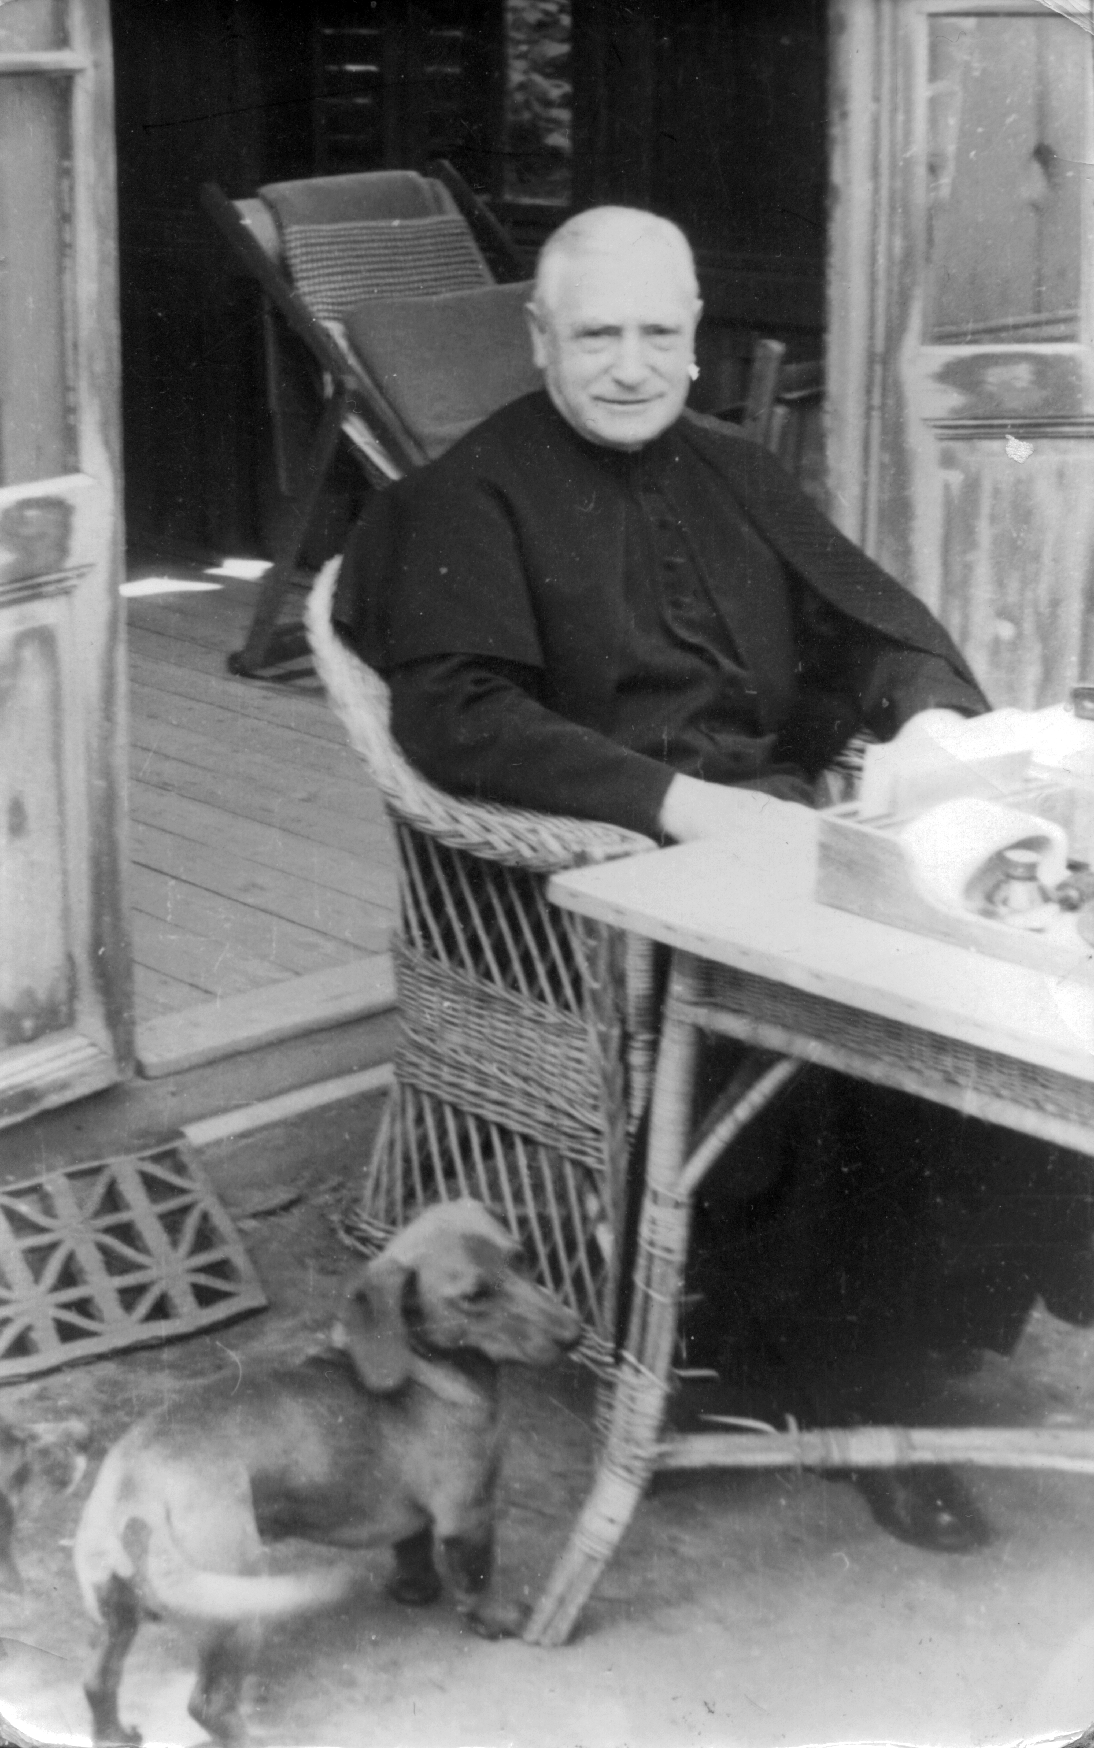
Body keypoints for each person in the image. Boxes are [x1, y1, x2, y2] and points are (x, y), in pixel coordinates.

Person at [333, 206, 1094, 1553]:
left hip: (785, 832)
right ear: (539, 337)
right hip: (595, 877)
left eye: (657, 334)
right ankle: (852, 1389)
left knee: (1014, 973)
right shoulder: (465, 497)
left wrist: (923, 722)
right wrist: (684, 811)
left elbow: (871, 630)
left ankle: (952, 1310)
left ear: (695, 335)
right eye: (596, 336)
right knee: (868, 1024)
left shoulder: (734, 467)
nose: (630, 366)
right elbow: (457, 719)